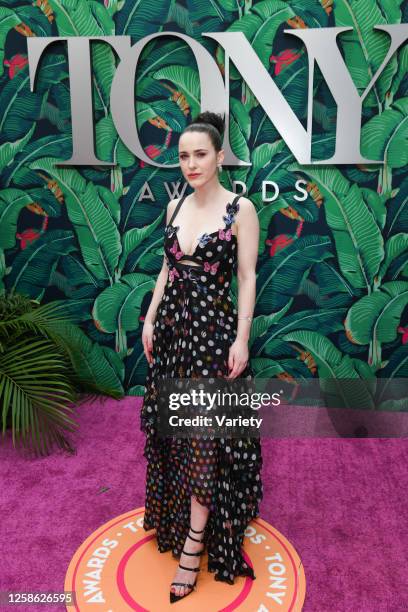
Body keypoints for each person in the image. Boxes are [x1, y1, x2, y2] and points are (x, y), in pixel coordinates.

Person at [141, 111, 263, 603]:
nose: (191, 163)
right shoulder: (174, 208)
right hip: (173, 334)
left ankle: (195, 547)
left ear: (218, 157)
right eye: (183, 156)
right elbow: (166, 271)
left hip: (213, 338)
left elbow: (247, 278)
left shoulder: (241, 209)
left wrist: (242, 338)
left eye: (200, 154)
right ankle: (183, 519)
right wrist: (150, 319)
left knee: (205, 437)